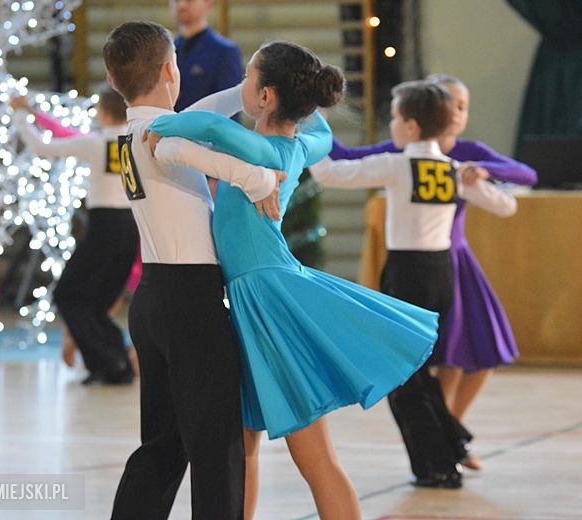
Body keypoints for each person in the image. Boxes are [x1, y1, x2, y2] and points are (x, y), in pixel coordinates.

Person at [147, 42, 440, 518]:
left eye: (247, 77)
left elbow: (199, 125)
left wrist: (155, 128)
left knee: (313, 456)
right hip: (250, 301)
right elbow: (318, 127)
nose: (240, 85)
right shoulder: (302, 143)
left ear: (265, 96)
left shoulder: (266, 149)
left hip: (271, 301)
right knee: (243, 445)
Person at [102, 21, 283, 519]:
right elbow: (190, 148)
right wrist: (259, 178)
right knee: (217, 448)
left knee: (162, 445)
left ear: (115, 80)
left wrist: (242, 92)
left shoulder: (131, 132)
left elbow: (197, 118)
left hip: (155, 298)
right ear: (169, 71)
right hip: (190, 302)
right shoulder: (160, 136)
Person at [309, 80, 518, 488]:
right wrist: (477, 180)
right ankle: (451, 446)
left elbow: (332, 174)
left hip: (406, 274)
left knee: (401, 377)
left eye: (393, 117)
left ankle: (436, 465)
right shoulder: (453, 170)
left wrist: (311, 129)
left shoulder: (397, 164)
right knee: (417, 373)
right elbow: (506, 206)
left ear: (409, 126)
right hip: (443, 275)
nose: (391, 124)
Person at [9, 84, 139, 385]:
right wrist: (35, 112)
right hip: (130, 229)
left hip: (104, 227)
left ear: (103, 113)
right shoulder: (134, 143)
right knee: (95, 305)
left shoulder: (94, 143)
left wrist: (20, 115)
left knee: (67, 295)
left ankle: (110, 363)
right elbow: (63, 132)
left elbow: (44, 146)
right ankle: (115, 361)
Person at [172, 0, 243, 112]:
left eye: (189, 0)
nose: (181, 5)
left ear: (208, 3)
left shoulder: (224, 52)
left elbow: (230, 111)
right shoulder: (166, 51)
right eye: (176, 0)